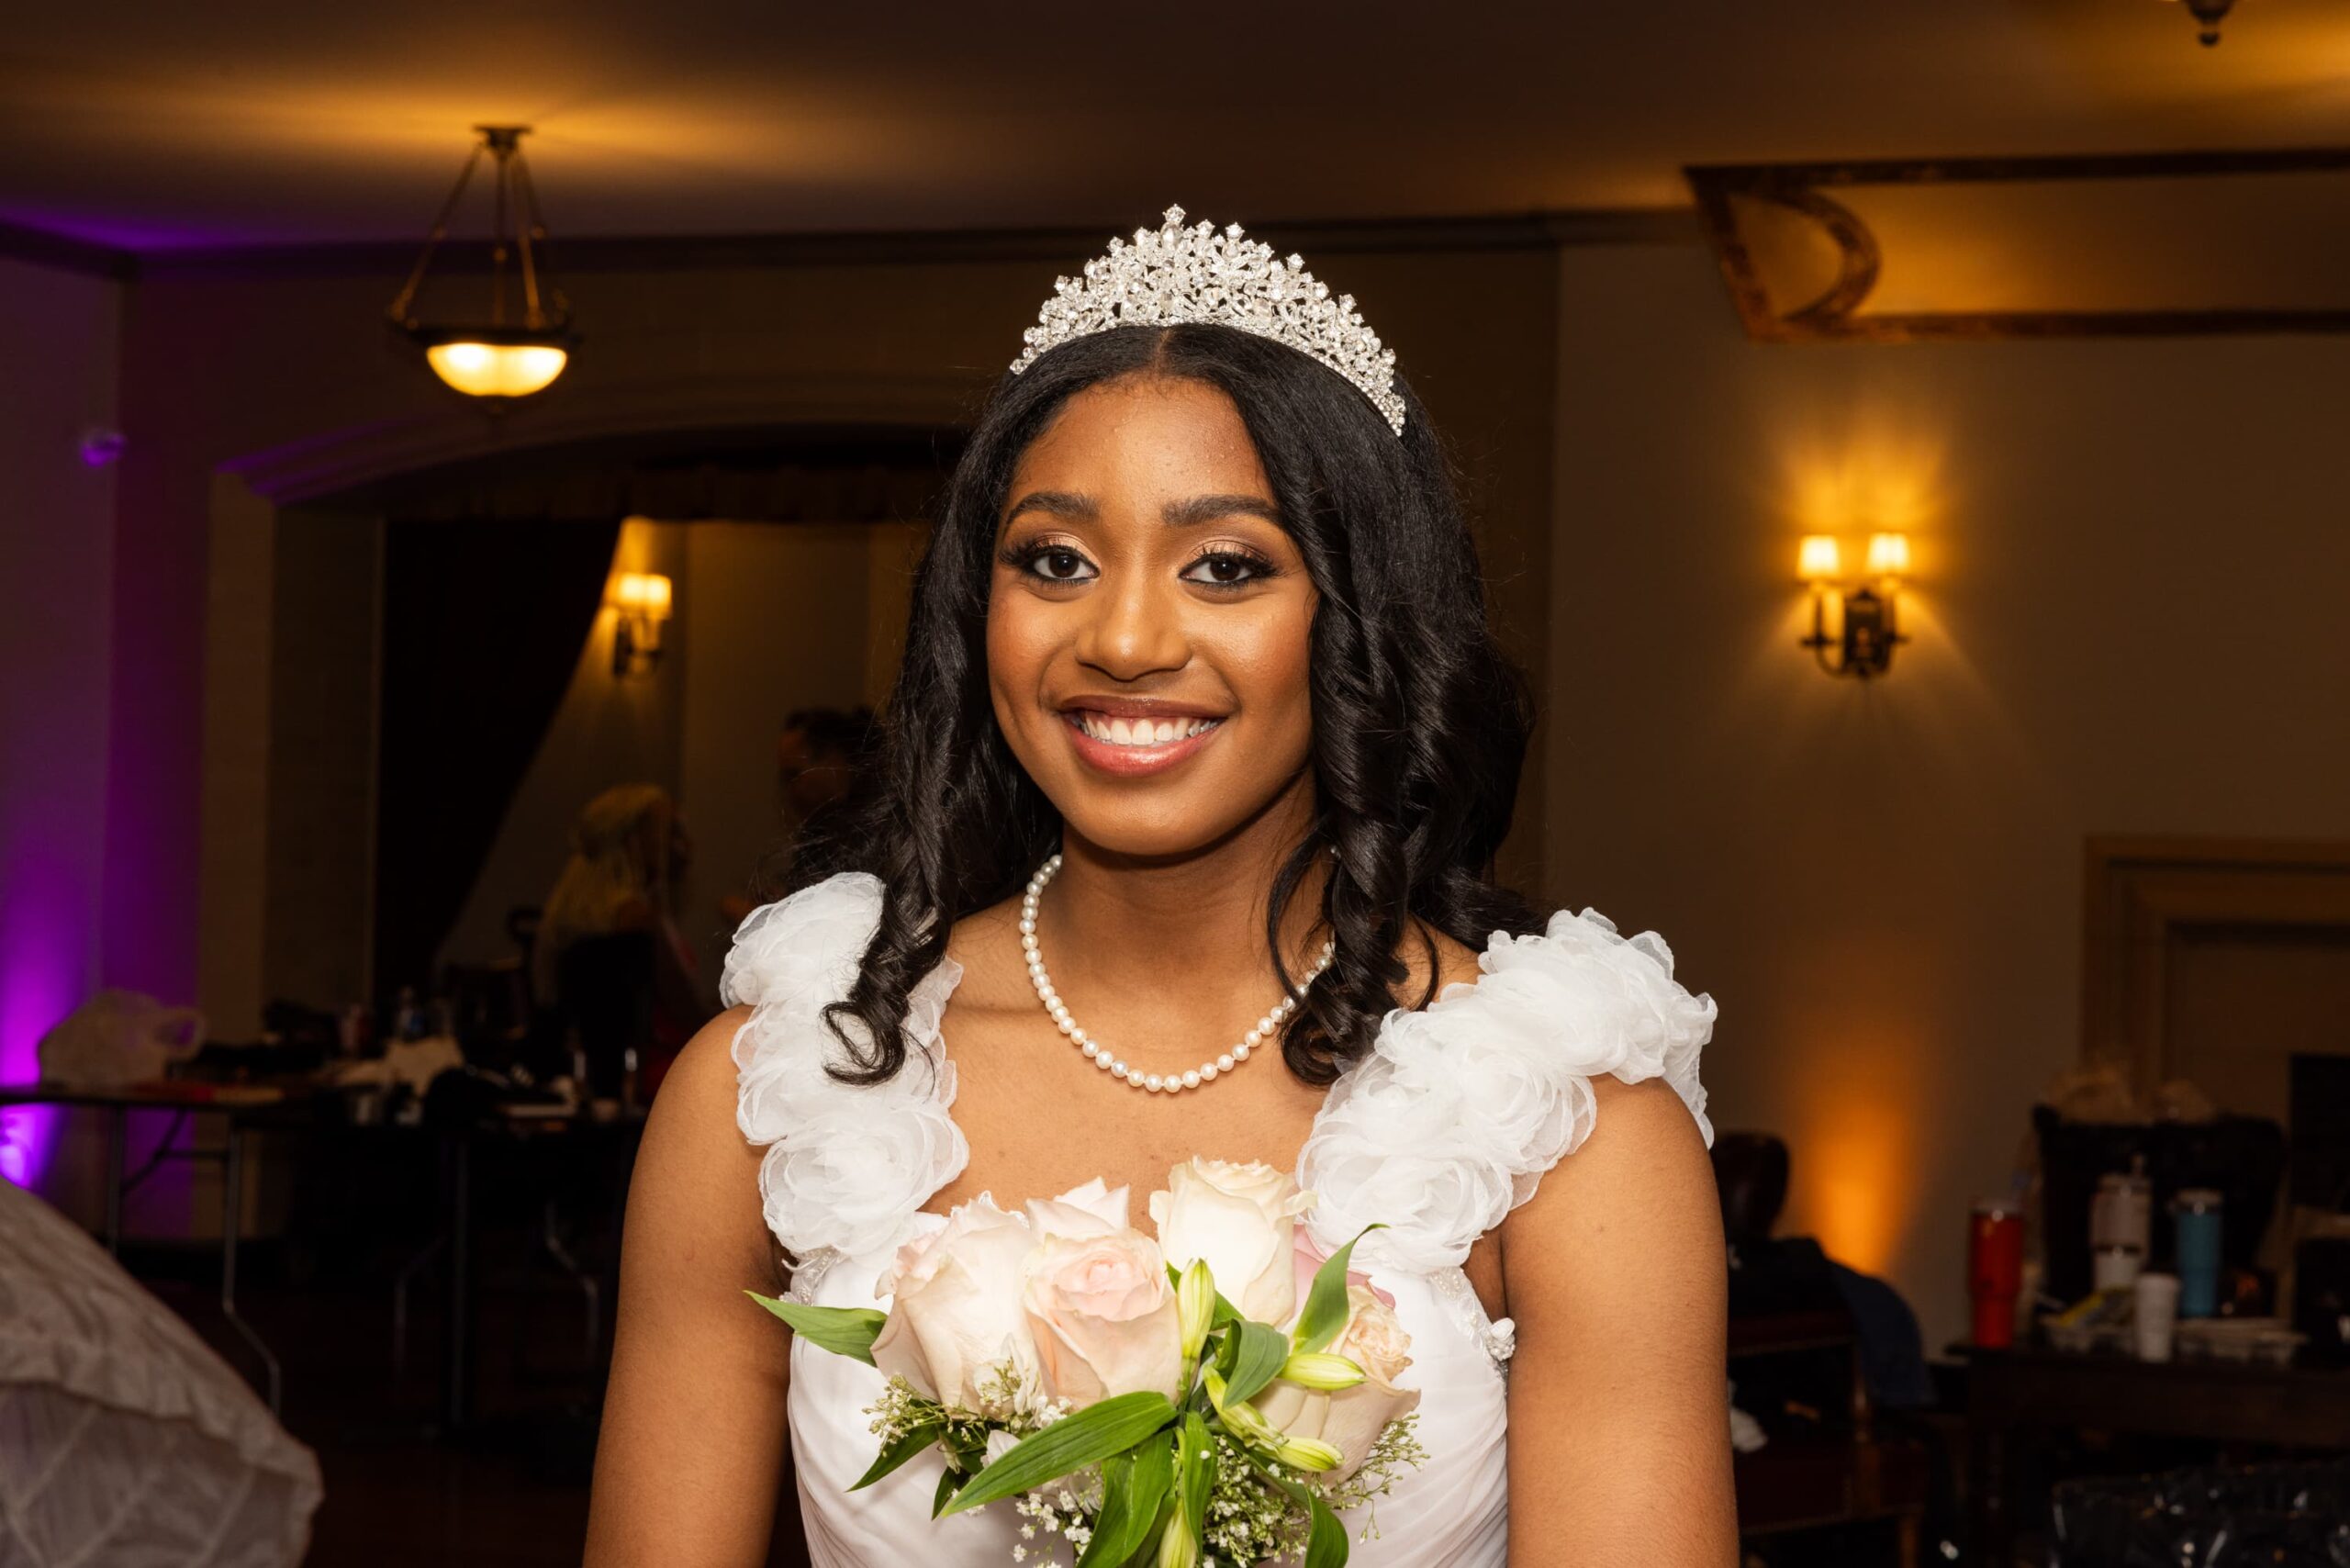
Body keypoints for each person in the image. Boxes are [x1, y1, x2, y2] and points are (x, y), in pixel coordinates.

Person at [587, 208, 1736, 1566]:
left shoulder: (1567, 1133)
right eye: (1054, 560)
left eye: (1227, 566)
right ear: (981, 610)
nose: (1124, 637)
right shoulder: (773, 1096)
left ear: (1359, 615)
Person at [533, 783, 710, 1099]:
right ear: (633, 840)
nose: (685, 847)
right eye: (671, 833)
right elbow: (692, 1017)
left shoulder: (569, 920)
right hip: (662, 1086)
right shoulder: (640, 921)